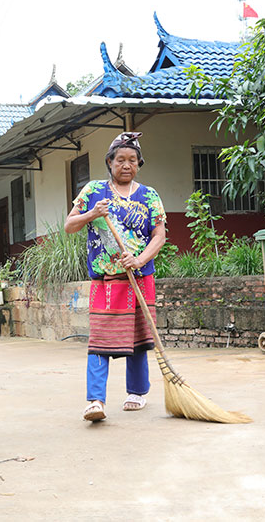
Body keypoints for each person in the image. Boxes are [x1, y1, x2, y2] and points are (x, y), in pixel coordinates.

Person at [64, 132, 166, 421]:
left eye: (132, 160)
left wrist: (140, 259)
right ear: (109, 162)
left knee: (138, 337)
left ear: (138, 164)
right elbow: (69, 225)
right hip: (105, 282)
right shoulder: (94, 191)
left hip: (139, 278)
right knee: (100, 339)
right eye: (120, 159)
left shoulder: (149, 195)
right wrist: (91, 213)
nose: (126, 165)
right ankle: (96, 400)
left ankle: (137, 392)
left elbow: (160, 235)